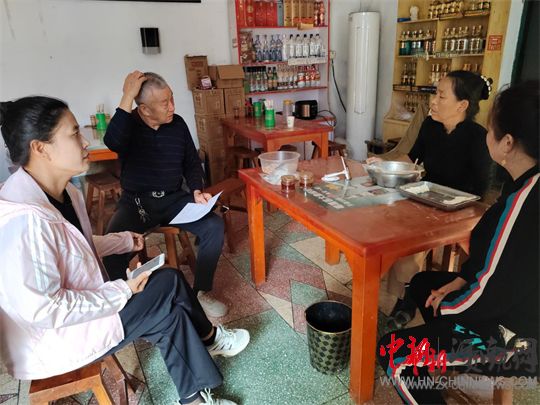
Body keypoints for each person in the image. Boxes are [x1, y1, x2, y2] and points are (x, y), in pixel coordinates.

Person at [0, 96, 250, 405]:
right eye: (74, 133)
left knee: (167, 309)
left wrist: (122, 241)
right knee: (168, 283)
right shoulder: (25, 221)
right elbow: (45, 310)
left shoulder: (65, 193)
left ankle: (195, 396)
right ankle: (209, 338)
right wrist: (121, 291)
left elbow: (75, 245)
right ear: (41, 148)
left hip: (79, 313)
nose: (84, 142)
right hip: (55, 340)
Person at [377, 81, 539, 404]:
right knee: (423, 284)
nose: (486, 133)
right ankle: (443, 356)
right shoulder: (525, 183)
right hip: (512, 310)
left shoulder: (524, 204)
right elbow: (497, 267)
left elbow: (489, 290)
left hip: (518, 341)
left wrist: (449, 305)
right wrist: (462, 279)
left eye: (491, 129)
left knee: (393, 353)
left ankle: (449, 353)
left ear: (507, 143)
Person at [368, 71, 493, 329]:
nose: (433, 101)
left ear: (462, 105)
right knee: (391, 230)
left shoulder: (478, 138)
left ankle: (409, 299)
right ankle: (403, 291)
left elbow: (482, 190)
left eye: (441, 96)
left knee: (411, 246)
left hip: (459, 211)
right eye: (435, 94)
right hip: (426, 198)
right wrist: (383, 163)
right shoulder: (430, 126)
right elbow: (412, 158)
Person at [103, 71, 227, 317]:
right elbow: (112, 141)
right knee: (111, 247)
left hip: (173, 199)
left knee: (213, 226)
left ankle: (202, 292)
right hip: (137, 203)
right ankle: (126, 304)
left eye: (172, 98)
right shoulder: (129, 125)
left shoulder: (177, 124)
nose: (172, 107)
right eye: (164, 103)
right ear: (144, 110)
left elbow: (191, 162)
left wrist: (196, 190)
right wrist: (127, 95)